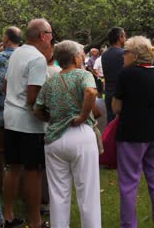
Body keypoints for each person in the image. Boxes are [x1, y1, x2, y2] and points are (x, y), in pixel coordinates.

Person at [34, 40, 101, 228]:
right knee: (87, 190)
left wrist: (52, 119)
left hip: (55, 138)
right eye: (81, 54)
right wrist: (82, 115)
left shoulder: (50, 80)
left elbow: (37, 109)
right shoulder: (83, 75)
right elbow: (90, 92)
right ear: (75, 57)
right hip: (80, 135)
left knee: (58, 193)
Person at [112, 36, 154, 228]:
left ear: (134, 55)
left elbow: (116, 107)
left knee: (129, 183)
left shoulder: (125, 75)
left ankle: (129, 225)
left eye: (125, 52)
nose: (122, 56)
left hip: (132, 133)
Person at [3, 18, 51, 228]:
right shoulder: (38, 59)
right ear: (42, 35)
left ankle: (7, 215)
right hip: (28, 123)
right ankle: (35, 221)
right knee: (33, 171)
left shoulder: (17, 53)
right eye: (50, 33)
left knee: (12, 167)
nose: (52, 37)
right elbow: (34, 97)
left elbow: (5, 86)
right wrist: (50, 115)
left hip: (10, 117)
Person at [0, 26, 22, 190]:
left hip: (1, 112)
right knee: (21, 154)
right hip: (22, 112)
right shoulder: (26, 57)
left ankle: (0, 184)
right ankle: (21, 187)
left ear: (7, 38)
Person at [102, 27, 126, 123]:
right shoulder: (124, 54)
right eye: (124, 36)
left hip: (109, 92)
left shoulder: (104, 55)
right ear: (120, 37)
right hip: (121, 94)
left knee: (111, 122)